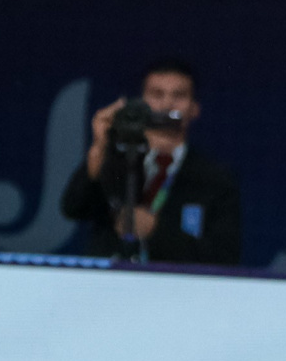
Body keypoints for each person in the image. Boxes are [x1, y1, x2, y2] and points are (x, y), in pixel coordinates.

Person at [58, 58, 243, 266]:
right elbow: (73, 208)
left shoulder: (214, 179)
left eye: (179, 95)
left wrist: (156, 230)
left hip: (177, 292)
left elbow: (225, 258)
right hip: (110, 287)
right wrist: (100, 147)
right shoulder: (119, 159)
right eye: (157, 94)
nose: (166, 104)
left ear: (195, 108)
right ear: (141, 102)